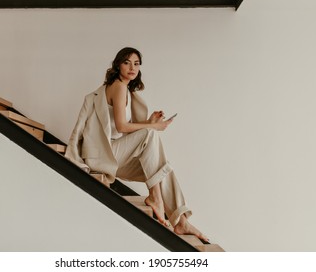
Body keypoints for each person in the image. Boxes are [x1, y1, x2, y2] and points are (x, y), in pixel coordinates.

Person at [65, 47, 208, 242]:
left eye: (136, 63)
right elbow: (123, 127)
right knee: (151, 136)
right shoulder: (118, 86)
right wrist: (153, 126)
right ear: (118, 65)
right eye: (127, 62)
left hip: (116, 157)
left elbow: (122, 128)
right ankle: (157, 199)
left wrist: (150, 122)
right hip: (103, 156)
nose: (132, 67)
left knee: (162, 169)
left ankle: (181, 219)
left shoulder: (127, 90)